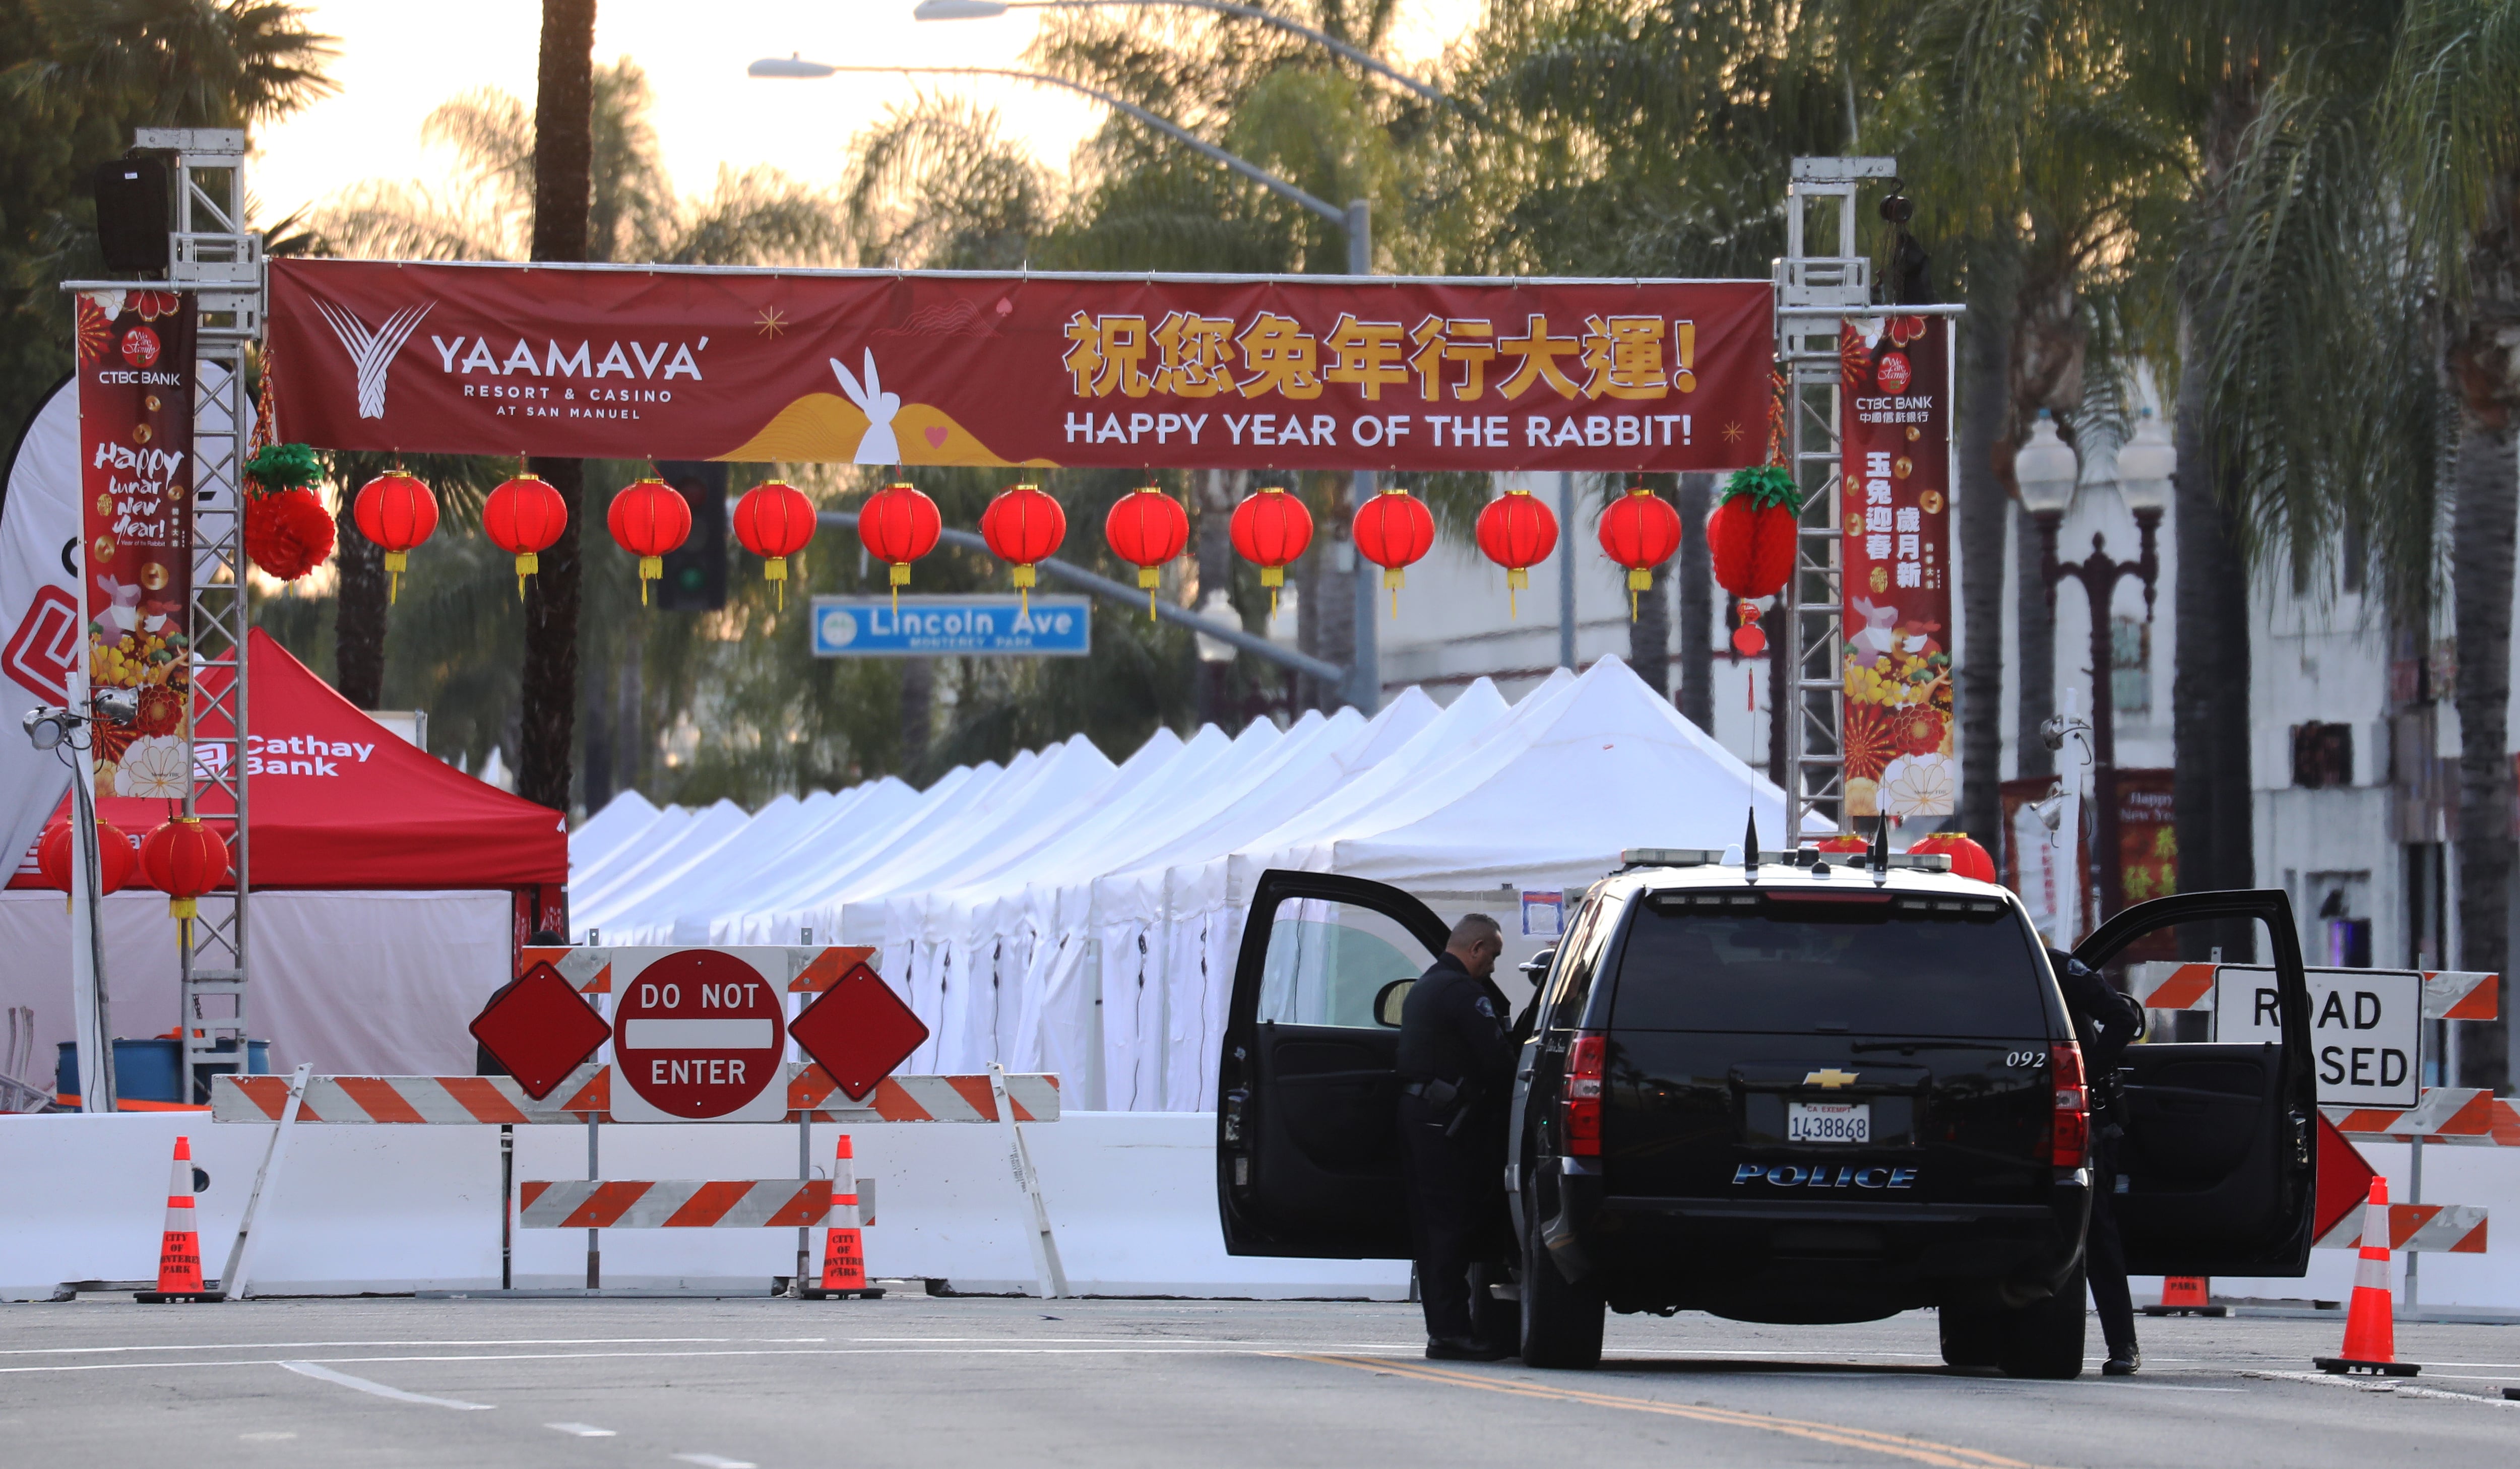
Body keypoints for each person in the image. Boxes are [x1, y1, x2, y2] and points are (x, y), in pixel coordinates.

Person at [1396, 912, 1517, 1361]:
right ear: (1477, 948)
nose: (1493, 966)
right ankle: (1451, 1333)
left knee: (1432, 1228)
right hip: (1443, 1123)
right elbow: (1498, 1061)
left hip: (1420, 1116)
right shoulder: (1464, 993)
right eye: (1494, 956)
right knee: (1449, 1227)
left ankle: (1446, 1329)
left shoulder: (1427, 985)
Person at [2051, 946, 2147, 1375]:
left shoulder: (2053, 967)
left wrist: (2082, 1072)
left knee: (2097, 1228)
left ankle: (2123, 1343)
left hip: (2079, 1115)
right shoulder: (1987, 971)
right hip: (2015, 1110)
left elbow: (2124, 1018)